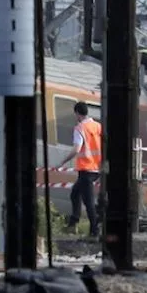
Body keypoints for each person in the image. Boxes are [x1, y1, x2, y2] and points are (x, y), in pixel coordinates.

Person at [55, 101, 102, 237]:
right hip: (96, 169)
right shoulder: (98, 126)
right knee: (75, 193)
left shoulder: (80, 128)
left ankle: (94, 231)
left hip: (86, 169)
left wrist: (62, 162)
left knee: (88, 202)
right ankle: (73, 223)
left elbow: (76, 149)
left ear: (77, 113)